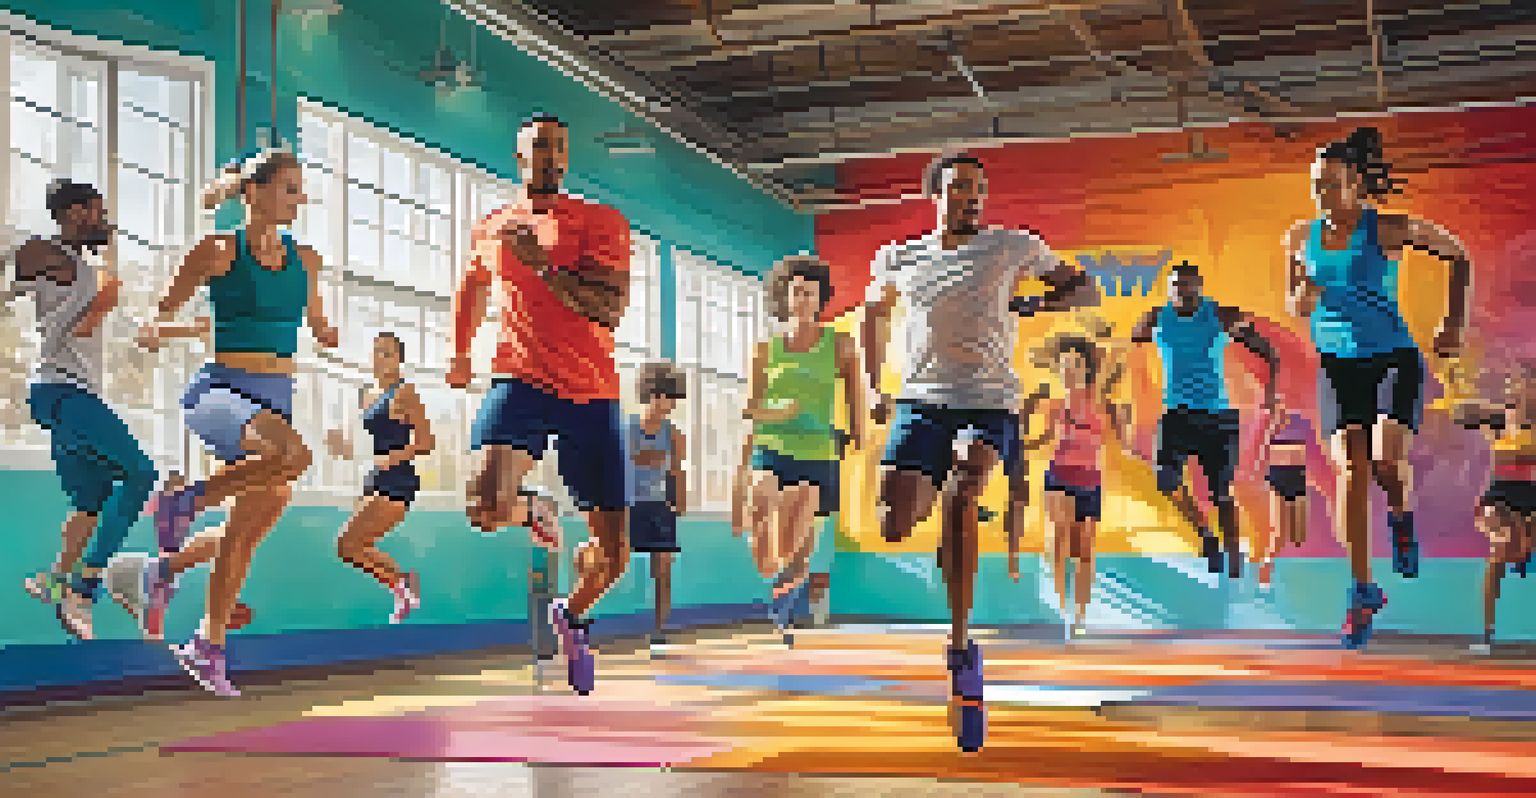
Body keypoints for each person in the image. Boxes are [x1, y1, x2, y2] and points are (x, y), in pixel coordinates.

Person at [861, 152, 1101, 752]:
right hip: (920, 402)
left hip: (988, 401)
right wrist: (871, 384)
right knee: (894, 523)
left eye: (978, 190)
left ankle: (961, 648)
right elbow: (873, 314)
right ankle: (950, 528)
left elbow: (1084, 287)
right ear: (935, 195)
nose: (970, 198)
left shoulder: (1011, 246)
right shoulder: (899, 258)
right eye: (959, 188)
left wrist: (1038, 305)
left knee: (964, 487)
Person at [136, 147, 338, 695]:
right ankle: (182, 502)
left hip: (276, 399)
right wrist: (161, 329)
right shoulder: (218, 250)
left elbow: (317, 322)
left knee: (249, 526)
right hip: (221, 392)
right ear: (253, 191)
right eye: (289, 188)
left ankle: (206, 640)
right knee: (293, 456)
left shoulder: (307, 260)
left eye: (300, 189)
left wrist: (327, 334)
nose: (298, 198)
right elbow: (162, 309)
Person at [447, 113, 632, 697]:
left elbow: (609, 309)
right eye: (539, 148)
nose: (550, 158)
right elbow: (473, 286)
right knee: (483, 504)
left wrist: (545, 266)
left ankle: (572, 616)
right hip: (521, 378)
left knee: (613, 557)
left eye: (559, 149)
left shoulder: (599, 222)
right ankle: (535, 509)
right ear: (520, 157)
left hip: (590, 392)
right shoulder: (492, 227)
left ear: (566, 159)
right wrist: (459, 352)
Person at [1283, 126, 1472, 648]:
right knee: (1351, 468)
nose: (1323, 195)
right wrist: (1303, 293)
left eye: (1333, 184)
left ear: (1356, 185)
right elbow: (1296, 305)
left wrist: (1453, 323)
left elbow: (1457, 254)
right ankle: (1362, 590)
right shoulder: (1298, 239)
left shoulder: (1388, 228)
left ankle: (1401, 515)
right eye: (1316, 185)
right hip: (1337, 366)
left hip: (1393, 358)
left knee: (1387, 461)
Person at [13, 179, 159, 641]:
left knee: (90, 504)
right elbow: (75, 330)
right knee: (141, 473)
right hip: (65, 392)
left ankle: (57, 580)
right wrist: (101, 307)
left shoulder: (79, 266)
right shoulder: (55, 257)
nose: (105, 219)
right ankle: (85, 587)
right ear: (74, 213)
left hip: (59, 395)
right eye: (97, 210)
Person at [737, 256, 863, 646]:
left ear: (821, 299)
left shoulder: (840, 345)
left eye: (810, 292)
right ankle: (772, 569)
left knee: (799, 547)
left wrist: (858, 432)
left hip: (818, 453)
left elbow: (855, 394)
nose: (803, 298)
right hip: (772, 445)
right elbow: (749, 410)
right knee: (762, 501)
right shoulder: (765, 350)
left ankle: (784, 602)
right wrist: (779, 412)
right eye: (796, 291)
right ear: (785, 297)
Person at [1128, 261, 1280, 579]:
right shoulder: (1156, 318)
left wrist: (1270, 392)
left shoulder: (1221, 315)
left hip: (1217, 417)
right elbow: (1133, 341)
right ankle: (1207, 536)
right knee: (1167, 483)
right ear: (1169, 289)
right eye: (1176, 286)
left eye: (1188, 285)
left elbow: (1268, 352)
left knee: (1221, 494)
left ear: (1199, 287)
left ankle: (1234, 553)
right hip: (1176, 415)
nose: (1182, 291)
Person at [1023, 331, 1132, 640]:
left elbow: (1124, 444)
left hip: (1091, 481)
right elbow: (1044, 439)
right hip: (1059, 477)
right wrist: (1022, 444)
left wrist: (1127, 429)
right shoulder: (1055, 406)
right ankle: (1060, 611)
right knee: (1059, 542)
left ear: (1087, 370)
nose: (1069, 371)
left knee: (1085, 550)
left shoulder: (1104, 405)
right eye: (1064, 366)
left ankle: (1080, 616)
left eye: (1075, 365)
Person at [323, 332, 435, 624]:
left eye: (387, 353)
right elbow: (362, 444)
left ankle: (403, 585)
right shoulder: (366, 393)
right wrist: (340, 447)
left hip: (397, 478)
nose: (380, 358)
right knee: (354, 549)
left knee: (346, 544)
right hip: (373, 476)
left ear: (399, 360)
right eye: (376, 352)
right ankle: (403, 583)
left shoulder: (405, 392)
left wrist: (393, 458)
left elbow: (427, 442)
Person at [1452, 364, 1536, 654]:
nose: (1519, 389)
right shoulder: (1498, 419)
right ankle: (1487, 633)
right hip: (1499, 495)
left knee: (1519, 545)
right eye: (1514, 383)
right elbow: (1460, 413)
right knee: (1500, 549)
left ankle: (1523, 552)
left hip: (1530, 496)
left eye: (1526, 383)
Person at [625, 362, 688, 646]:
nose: (668, 403)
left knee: (663, 568)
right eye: (664, 396)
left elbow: (676, 470)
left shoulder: (674, 435)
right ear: (650, 394)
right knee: (607, 562)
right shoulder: (627, 429)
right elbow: (621, 464)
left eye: (672, 398)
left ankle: (660, 631)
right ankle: (577, 620)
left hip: (659, 507)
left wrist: (679, 502)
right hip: (628, 505)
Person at [1258, 402, 1321, 589]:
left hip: (1296, 474)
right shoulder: (1269, 421)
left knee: (1298, 535)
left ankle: (1283, 571)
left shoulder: (1304, 418)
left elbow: (1313, 448)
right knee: (1279, 531)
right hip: (1279, 474)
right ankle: (1266, 570)